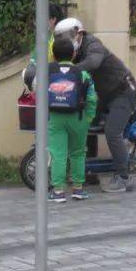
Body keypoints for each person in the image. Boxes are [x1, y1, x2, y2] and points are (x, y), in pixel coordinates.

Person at [53, 18, 136, 193]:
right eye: (61, 38)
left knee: (112, 132)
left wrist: (70, 71)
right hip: (105, 96)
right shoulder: (74, 53)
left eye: (67, 36)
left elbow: (93, 63)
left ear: (79, 33)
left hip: (123, 92)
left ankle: (124, 177)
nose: (65, 40)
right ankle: (88, 173)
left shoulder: (92, 44)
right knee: (85, 124)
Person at [45, 36, 97, 203]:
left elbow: (39, 94)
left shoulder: (47, 72)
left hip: (56, 118)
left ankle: (58, 191)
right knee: (78, 153)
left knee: (58, 154)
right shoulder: (83, 73)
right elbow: (92, 98)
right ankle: (78, 189)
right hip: (79, 117)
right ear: (74, 54)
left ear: (53, 55)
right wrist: (89, 117)